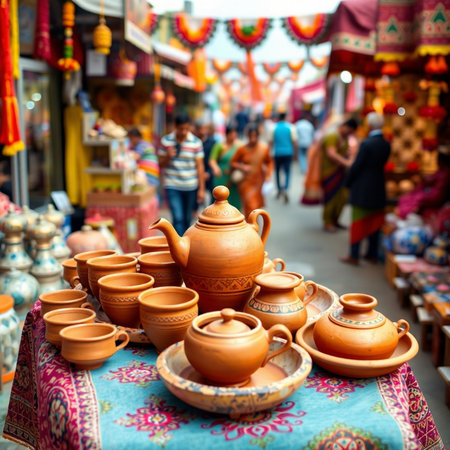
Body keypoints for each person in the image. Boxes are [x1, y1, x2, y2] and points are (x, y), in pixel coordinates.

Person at [340, 113, 391, 265]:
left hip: (362, 188)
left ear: (369, 125)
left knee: (358, 222)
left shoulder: (367, 144)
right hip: (378, 187)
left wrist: (347, 183)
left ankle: (354, 255)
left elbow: (357, 166)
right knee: (374, 222)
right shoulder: (386, 144)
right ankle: (372, 254)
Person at [158, 113, 205, 235]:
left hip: (191, 186)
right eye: (181, 129)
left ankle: (183, 244)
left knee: (187, 219)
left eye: (186, 129)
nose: (184, 132)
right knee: (178, 218)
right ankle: (180, 247)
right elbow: (160, 164)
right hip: (172, 185)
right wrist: (168, 156)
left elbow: (200, 167)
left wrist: (201, 189)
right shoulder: (166, 141)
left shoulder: (196, 142)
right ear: (175, 127)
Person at [321, 118, 358, 232]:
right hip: (329, 171)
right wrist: (347, 163)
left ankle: (335, 220)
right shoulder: (332, 136)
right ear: (345, 126)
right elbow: (331, 153)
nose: (350, 133)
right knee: (331, 197)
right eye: (350, 131)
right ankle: (328, 222)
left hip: (340, 171)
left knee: (342, 197)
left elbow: (343, 151)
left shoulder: (344, 137)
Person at [231, 124, 273, 217]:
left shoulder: (263, 149)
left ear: (258, 136)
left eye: (255, 136)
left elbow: (269, 162)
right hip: (245, 182)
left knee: (256, 207)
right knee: (249, 206)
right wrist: (242, 167)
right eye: (251, 136)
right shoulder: (242, 149)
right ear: (247, 136)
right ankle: (252, 227)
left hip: (258, 182)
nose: (253, 139)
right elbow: (233, 163)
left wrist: (268, 176)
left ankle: (253, 227)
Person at [396, 150, 450, 219]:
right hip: (428, 194)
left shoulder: (446, 173)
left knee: (412, 200)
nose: (437, 162)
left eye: (438, 160)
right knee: (406, 198)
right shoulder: (441, 171)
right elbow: (430, 179)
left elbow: (437, 193)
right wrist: (424, 180)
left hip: (432, 196)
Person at [209, 124, 241, 210]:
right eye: (231, 134)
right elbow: (212, 160)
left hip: (234, 177)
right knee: (220, 200)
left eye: (235, 134)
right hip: (221, 176)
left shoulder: (239, 146)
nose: (233, 136)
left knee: (234, 201)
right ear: (227, 134)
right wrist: (215, 168)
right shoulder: (219, 145)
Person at [271, 112, 297, 203]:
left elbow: (270, 141)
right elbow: (294, 141)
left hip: (277, 153)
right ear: (285, 117)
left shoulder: (274, 127)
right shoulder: (291, 127)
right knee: (287, 172)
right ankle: (285, 189)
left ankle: (279, 190)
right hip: (288, 152)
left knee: (277, 172)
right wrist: (295, 154)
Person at [194, 119, 216, 202]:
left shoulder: (212, 142)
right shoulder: (193, 142)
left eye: (204, 129)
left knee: (213, 198)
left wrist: (209, 173)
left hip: (209, 175)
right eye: (200, 129)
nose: (202, 131)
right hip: (196, 175)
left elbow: (215, 159)